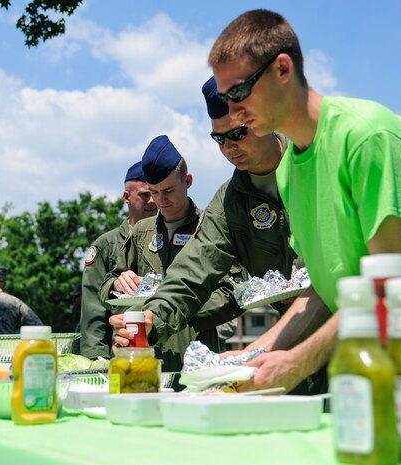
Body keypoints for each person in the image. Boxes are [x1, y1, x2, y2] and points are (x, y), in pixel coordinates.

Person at [203, 9, 401, 392]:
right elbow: (321, 290)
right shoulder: (289, 170)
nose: (233, 113)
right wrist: (253, 356)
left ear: (283, 69)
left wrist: (296, 363)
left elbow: (393, 284)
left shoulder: (367, 135)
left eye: (238, 93)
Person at [110, 77, 329, 394]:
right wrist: (150, 317)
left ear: (263, 118)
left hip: (357, 337)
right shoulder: (230, 202)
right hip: (287, 350)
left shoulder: (316, 166)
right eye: (219, 139)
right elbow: (193, 270)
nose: (229, 148)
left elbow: (345, 273)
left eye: (237, 134)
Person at [101, 135, 241, 374]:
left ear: (187, 181)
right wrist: (118, 282)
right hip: (146, 354)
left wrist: (181, 309)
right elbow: (105, 289)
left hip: (196, 351)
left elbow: (236, 291)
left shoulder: (214, 227)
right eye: (154, 192)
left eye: (168, 191)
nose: (160, 201)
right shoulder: (141, 231)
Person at [79, 161, 157, 359]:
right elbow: (93, 307)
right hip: (119, 349)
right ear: (126, 198)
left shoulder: (168, 238)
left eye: (154, 193)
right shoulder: (106, 245)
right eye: (144, 194)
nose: (152, 201)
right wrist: (96, 359)